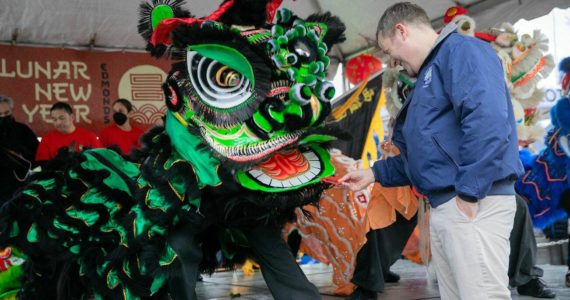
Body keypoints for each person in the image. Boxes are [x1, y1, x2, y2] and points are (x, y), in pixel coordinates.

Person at [340, 3, 523, 299]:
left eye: (389, 52)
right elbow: (424, 153)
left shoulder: (462, 51)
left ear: (401, 31)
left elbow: (488, 120)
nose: (393, 62)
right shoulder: (430, 72)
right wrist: (373, 173)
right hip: (450, 203)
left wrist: (469, 192)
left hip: (472, 201)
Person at [0, 95, 39, 203]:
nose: (3, 116)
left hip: (20, 184)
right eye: (0, 114)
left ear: (12, 110)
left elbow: (36, 154)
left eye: (6, 113)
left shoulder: (22, 130)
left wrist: (22, 156)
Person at [36, 101, 102, 163]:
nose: (58, 123)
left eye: (62, 118)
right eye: (54, 119)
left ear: (72, 117)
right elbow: (42, 165)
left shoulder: (90, 137)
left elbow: (100, 161)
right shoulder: (46, 140)